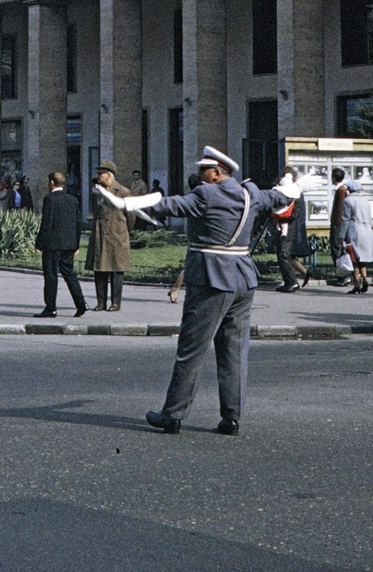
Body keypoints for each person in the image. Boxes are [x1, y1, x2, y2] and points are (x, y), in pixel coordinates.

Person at [132, 146, 303, 435]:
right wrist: (295, 186)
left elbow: (168, 206)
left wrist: (130, 201)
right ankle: (231, 418)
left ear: (216, 172)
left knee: (192, 350)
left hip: (211, 279)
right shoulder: (251, 194)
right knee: (234, 351)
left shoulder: (206, 194)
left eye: (202, 171)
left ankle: (173, 414)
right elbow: (279, 196)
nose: (198, 176)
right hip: (243, 279)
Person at [34, 170, 88, 318]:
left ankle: (50, 307)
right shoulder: (72, 199)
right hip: (69, 244)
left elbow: (47, 224)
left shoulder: (50, 199)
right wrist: (76, 244)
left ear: (51, 182)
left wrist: (39, 243)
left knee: (51, 275)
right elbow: (78, 223)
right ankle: (81, 303)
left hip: (53, 245)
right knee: (69, 273)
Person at [86, 161, 133, 311]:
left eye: (101, 174)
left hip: (116, 235)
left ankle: (116, 302)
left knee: (116, 270)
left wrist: (123, 230)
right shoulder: (97, 191)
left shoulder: (122, 191)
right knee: (100, 269)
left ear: (109, 175)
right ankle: (101, 302)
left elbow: (131, 215)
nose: (98, 176)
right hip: (100, 234)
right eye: (98, 173)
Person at [340, 191, 373, 294]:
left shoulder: (348, 201)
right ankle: (365, 279)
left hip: (354, 230)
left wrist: (341, 235)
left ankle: (356, 283)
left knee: (354, 259)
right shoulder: (365, 200)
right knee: (362, 258)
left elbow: (345, 219)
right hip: (366, 229)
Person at [327, 169, 351, 287]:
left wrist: (336, 223)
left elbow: (340, 209)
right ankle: (341, 275)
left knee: (337, 249)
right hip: (339, 223)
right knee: (337, 249)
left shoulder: (340, 191)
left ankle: (343, 276)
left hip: (338, 224)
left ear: (333, 178)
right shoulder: (342, 190)